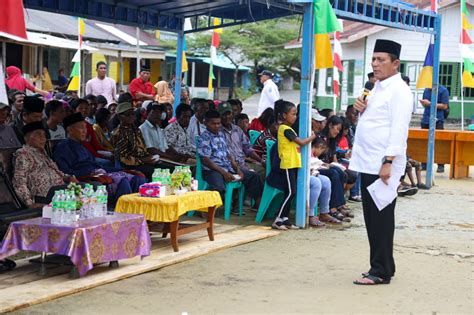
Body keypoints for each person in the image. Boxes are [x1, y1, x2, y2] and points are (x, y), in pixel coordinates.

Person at [350, 39, 412, 285]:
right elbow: (373, 123)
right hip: (368, 161)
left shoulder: (400, 91)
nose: (375, 64)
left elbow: (398, 130)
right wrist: (360, 110)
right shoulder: (377, 87)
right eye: (373, 59)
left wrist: (388, 161)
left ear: (395, 63)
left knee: (381, 219)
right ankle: (385, 265)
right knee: (373, 217)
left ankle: (380, 271)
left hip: (382, 164)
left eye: (381, 60)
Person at [53, 113, 145, 201]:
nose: (85, 130)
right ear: (70, 130)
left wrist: (119, 170)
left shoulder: (82, 146)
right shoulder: (63, 147)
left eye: (85, 127)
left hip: (99, 173)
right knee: (123, 182)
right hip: (88, 178)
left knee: (138, 178)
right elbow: (64, 171)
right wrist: (91, 173)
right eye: (81, 127)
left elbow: (96, 165)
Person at [198, 110, 263, 214]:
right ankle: (207, 210)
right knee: (218, 186)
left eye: (218, 123)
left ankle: (259, 208)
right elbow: (206, 160)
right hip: (212, 170)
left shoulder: (221, 135)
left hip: (228, 168)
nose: (216, 126)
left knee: (253, 177)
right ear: (206, 123)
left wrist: (237, 169)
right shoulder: (204, 137)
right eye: (213, 123)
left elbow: (229, 155)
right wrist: (223, 173)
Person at [269, 100, 315, 230]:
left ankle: (285, 218)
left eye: (296, 114)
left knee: (290, 192)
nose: (295, 117)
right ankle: (278, 219)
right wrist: (312, 137)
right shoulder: (284, 129)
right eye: (293, 114)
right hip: (288, 164)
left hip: (293, 164)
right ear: (284, 115)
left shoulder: (289, 129)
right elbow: (300, 142)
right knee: (291, 193)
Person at [12, 121, 78, 208]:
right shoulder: (23, 154)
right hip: (45, 196)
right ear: (26, 138)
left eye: (44, 135)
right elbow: (19, 181)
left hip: (59, 192)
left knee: (93, 186)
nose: (43, 138)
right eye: (38, 135)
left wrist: (68, 177)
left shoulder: (43, 154)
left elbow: (57, 172)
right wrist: (29, 203)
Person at [111, 102, 165, 180]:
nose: (131, 117)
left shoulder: (136, 129)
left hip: (142, 162)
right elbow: (123, 158)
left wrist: (150, 157)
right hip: (130, 165)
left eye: (133, 114)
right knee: (156, 172)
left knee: (166, 168)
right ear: (119, 117)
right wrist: (143, 160)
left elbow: (142, 148)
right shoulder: (118, 133)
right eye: (128, 115)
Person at [219, 102, 264, 180]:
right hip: (230, 167)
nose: (226, 117)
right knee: (254, 177)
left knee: (265, 171)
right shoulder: (217, 132)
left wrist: (261, 161)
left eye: (228, 114)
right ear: (219, 116)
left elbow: (248, 149)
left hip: (243, 164)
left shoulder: (237, 130)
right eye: (223, 114)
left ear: (232, 114)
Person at [70, 98, 113, 167]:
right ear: (74, 110)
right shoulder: (71, 125)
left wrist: (108, 153)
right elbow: (84, 148)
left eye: (86, 108)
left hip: (92, 155)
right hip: (82, 157)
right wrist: (101, 156)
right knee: (107, 162)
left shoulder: (88, 125)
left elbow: (95, 144)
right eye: (80, 108)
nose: (84, 110)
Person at [309, 137, 339, 226]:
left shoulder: (311, 153)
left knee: (326, 181)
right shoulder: (305, 148)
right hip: (300, 173)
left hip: (310, 172)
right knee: (316, 182)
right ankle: (310, 215)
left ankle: (324, 212)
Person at [420, 85, 449, 173]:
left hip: (438, 119)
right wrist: (424, 103)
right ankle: (424, 163)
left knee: (439, 142)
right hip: (426, 119)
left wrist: (430, 103)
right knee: (423, 142)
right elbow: (426, 105)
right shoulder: (426, 90)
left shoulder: (443, 90)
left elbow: (444, 106)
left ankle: (440, 165)